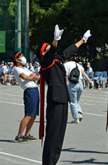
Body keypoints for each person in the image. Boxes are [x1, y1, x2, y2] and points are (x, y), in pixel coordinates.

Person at [35, 25, 92, 165]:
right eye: (48, 49)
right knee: (53, 134)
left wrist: (83, 40)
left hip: (62, 98)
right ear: (43, 53)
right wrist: (55, 39)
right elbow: (52, 51)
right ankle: (48, 162)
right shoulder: (45, 62)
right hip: (55, 98)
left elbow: (69, 51)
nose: (51, 50)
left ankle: (53, 160)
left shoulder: (56, 60)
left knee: (59, 134)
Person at [11, 52, 39, 143]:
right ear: (17, 59)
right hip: (29, 91)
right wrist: (31, 76)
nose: (23, 57)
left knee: (33, 115)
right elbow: (25, 77)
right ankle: (19, 136)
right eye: (21, 56)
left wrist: (31, 76)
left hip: (34, 90)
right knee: (28, 115)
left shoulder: (25, 68)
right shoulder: (17, 69)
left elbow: (36, 77)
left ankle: (27, 134)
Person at [64, 56, 93, 123]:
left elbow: (65, 75)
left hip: (72, 84)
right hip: (80, 83)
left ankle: (76, 118)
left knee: (72, 102)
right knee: (76, 100)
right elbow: (83, 73)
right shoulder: (77, 64)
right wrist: (89, 81)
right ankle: (79, 112)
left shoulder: (66, 65)